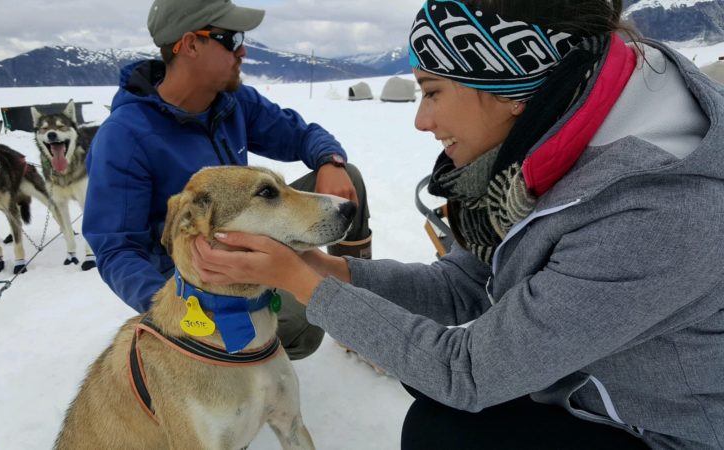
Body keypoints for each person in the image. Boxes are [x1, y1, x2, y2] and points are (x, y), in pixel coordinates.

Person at [188, 0, 724, 448]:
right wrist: (330, 271)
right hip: (585, 375)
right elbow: (468, 282)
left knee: (442, 429)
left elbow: (465, 373)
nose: (422, 120)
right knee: (429, 394)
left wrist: (301, 281)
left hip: (664, 428)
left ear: (511, 82)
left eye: (432, 91)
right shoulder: (555, 139)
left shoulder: (655, 210)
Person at [82, 0, 372, 361]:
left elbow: (301, 135)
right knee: (302, 327)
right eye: (231, 38)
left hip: (254, 243)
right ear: (189, 45)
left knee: (349, 180)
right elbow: (117, 249)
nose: (243, 50)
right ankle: (245, 356)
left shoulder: (231, 102)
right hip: (203, 285)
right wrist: (182, 307)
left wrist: (330, 161)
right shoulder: (125, 139)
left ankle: (360, 309)